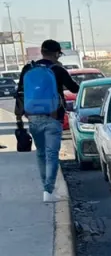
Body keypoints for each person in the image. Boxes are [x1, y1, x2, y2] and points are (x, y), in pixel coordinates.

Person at [14, 39, 79, 201]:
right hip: (53, 117)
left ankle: (46, 189)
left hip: (33, 117)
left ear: (42, 52)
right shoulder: (57, 69)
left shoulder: (28, 68)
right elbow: (74, 88)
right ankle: (48, 191)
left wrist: (19, 120)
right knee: (52, 155)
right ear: (56, 53)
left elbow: (20, 94)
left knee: (41, 154)